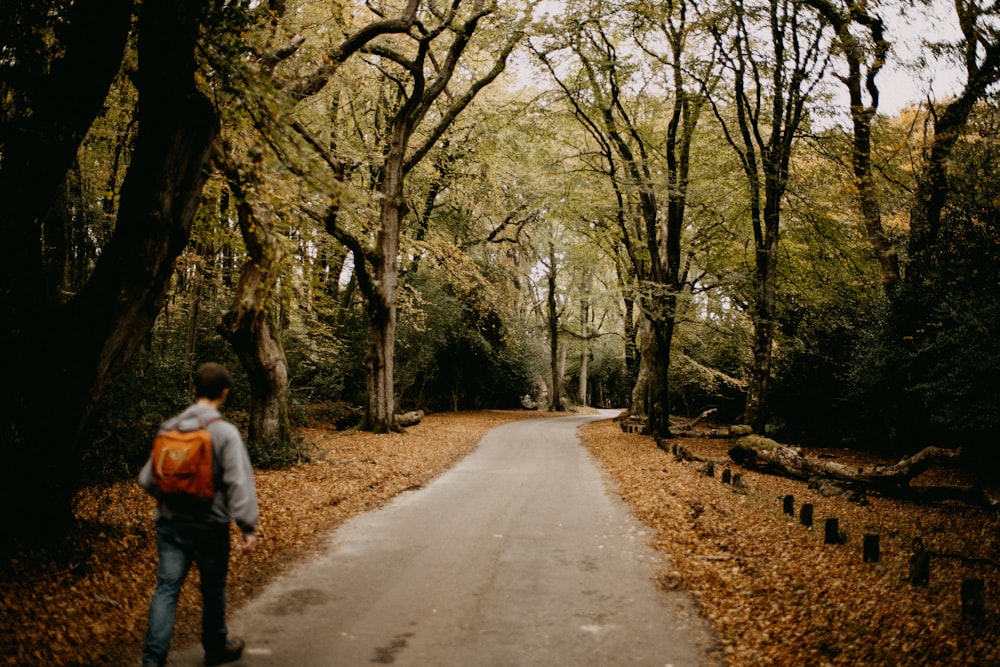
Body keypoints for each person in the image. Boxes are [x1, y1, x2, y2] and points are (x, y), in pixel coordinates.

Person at [138, 362, 260, 667]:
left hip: (169, 523)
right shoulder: (225, 433)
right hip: (210, 526)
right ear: (224, 393)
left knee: (167, 588)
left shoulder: (169, 428)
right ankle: (216, 647)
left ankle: (152, 659)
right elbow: (238, 483)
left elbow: (147, 479)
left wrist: (173, 497)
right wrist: (248, 526)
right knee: (213, 588)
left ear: (194, 390)